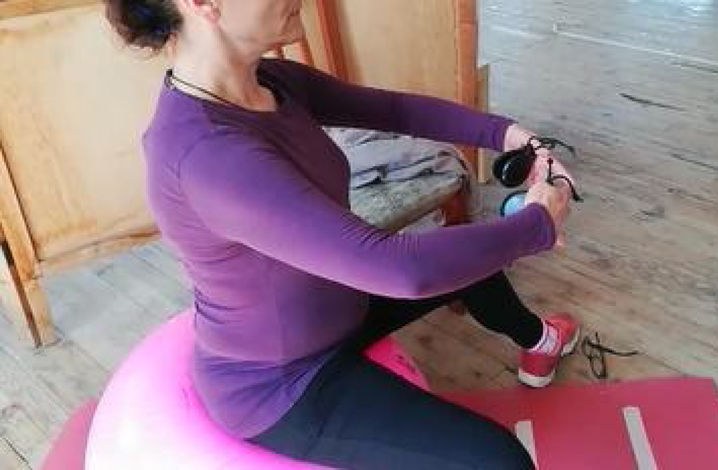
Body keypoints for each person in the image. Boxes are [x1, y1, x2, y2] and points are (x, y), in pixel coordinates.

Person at [104, 0, 579, 468]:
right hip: (280, 382)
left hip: (342, 305)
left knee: (470, 261)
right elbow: (400, 269)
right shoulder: (207, 155)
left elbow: (394, 110)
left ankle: (540, 342)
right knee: (500, 461)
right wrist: (537, 224)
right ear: (202, 3)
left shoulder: (269, 81)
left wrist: (511, 136)